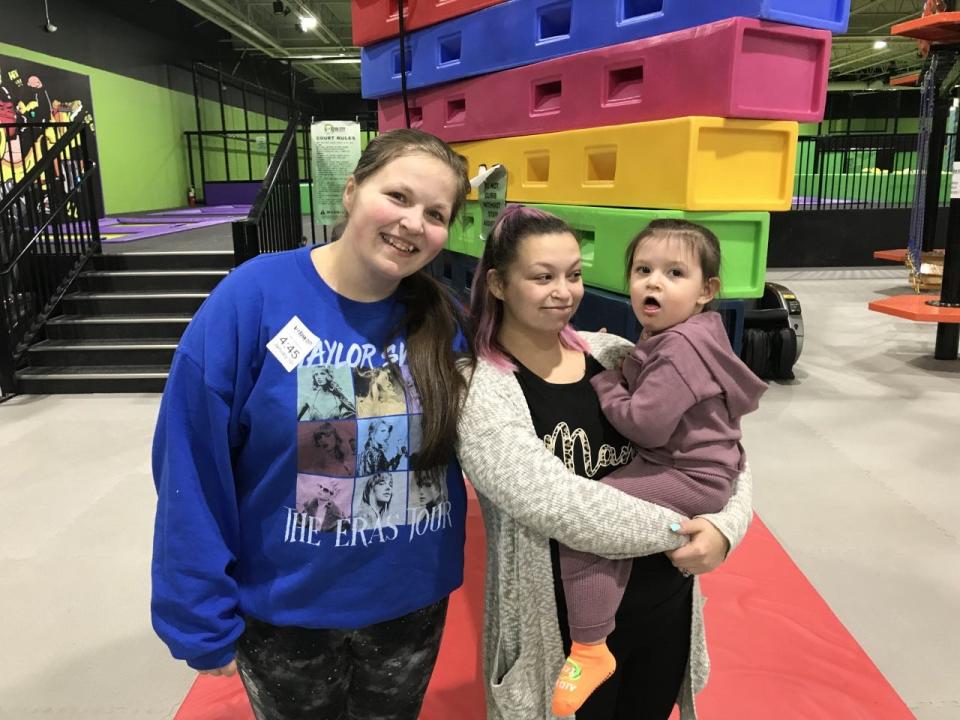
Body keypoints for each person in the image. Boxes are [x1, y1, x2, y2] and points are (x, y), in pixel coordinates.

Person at [151, 128, 473, 720]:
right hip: (286, 612)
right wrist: (197, 609)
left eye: (435, 213)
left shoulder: (443, 316)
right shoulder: (252, 297)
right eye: (397, 196)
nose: (412, 223)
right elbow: (191, 463)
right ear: (351, 191)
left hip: (410, 603)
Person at [456, 205, 756, 720]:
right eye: (542, 277)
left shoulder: (614, 354)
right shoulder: (480, 388)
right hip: (561, 637)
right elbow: (565, 509)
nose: (564, 291)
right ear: (499, 284)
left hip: (663, 610)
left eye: (573, 275)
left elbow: (724, 449)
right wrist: (687, 531)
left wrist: (726, 528)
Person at [552, 219, 767, 715]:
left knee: (587, 521)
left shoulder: (678, 349)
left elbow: (645, 425)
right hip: (706, 469)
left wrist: (604, 381)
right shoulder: (690, 334)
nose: (654, 282)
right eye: (643, 269)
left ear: (706, 291)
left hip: (691, 476)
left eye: (675, 273)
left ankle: (589, 646)